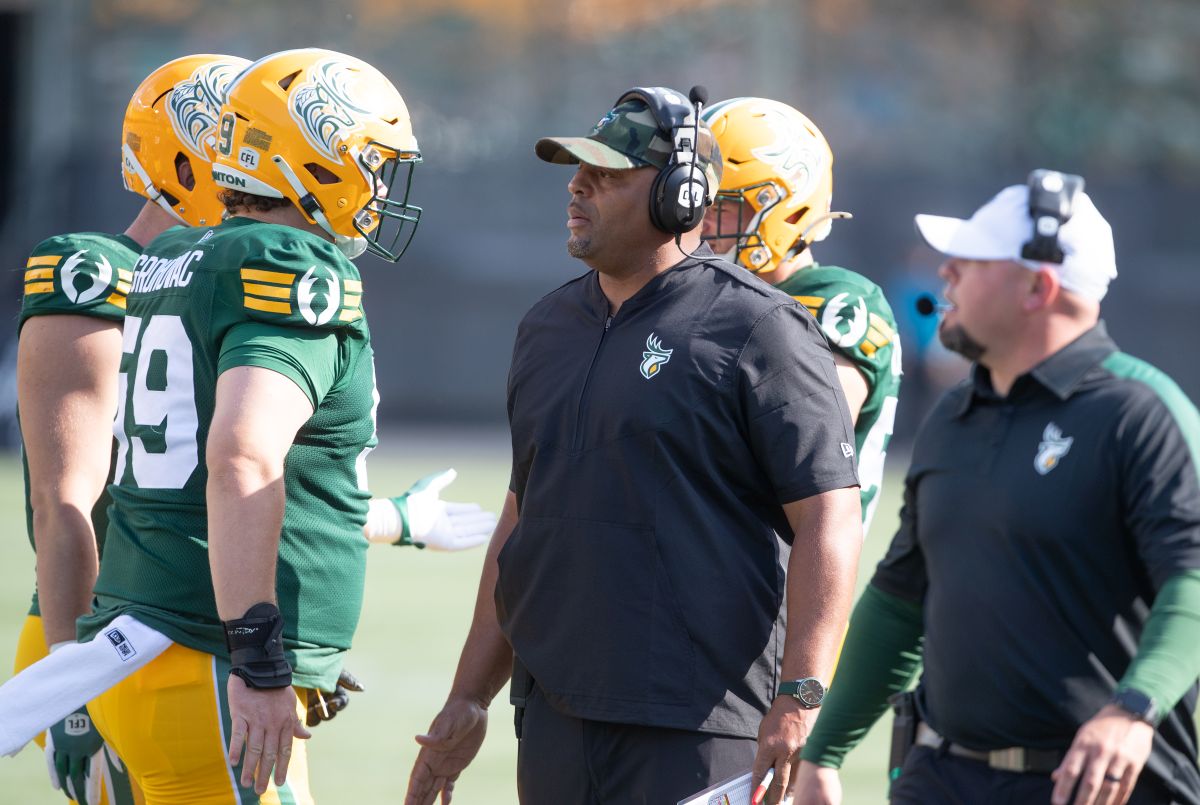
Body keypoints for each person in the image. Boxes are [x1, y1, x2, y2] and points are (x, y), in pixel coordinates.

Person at [405, 87, 863, 805]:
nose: (577, 184)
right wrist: (471, 693)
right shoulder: (546, 327)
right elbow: (523, 521)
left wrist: (801, 692)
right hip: (555, 717)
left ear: (681, 196)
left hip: (699, 727)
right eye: (576, 168)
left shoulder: (760, 327)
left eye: (608, 172)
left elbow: (829, 515)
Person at [70, 48, 426, 804]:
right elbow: (241, 458)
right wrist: (261, 656)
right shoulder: (289, 263)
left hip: (150, 641)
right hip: (206, 654)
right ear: (317, 156)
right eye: (370, 160)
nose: (380, 184)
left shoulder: (176, 252)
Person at [792, 172, 1200, 805]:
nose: (944, 274)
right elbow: (901, 602)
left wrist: (1133, 710)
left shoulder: (1139, 414)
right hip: (943, 779)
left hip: (1097, 788)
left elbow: (1193, 579)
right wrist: (823, 751)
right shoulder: (954, 417)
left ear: (1038, 286)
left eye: (971, 262)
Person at [12, 53, 250, 805]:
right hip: (101, 629)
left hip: (190, 626)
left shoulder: (224, 287)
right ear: (188, 159)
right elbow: (64, 501)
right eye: (249, 150)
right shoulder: (97, 272)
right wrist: (71, 685)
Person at [700, 97, 901, 533]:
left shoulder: (835, 301)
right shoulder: (711, 295)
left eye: (723, 206)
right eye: (701, 204)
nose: (704, 223)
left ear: (786, 207)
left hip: (785, 570)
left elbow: (805, 442)